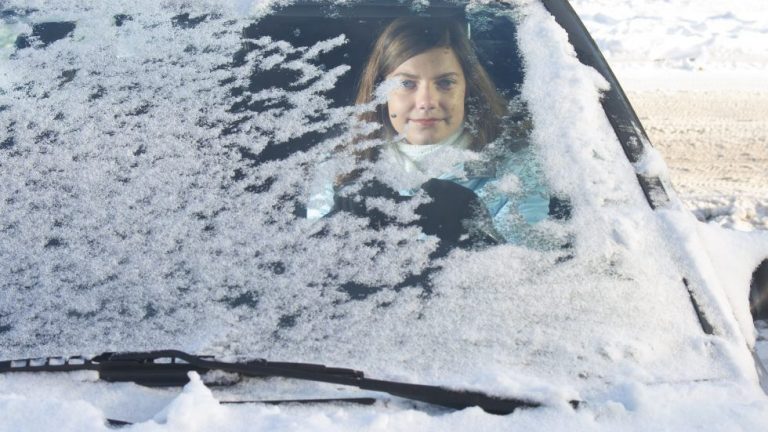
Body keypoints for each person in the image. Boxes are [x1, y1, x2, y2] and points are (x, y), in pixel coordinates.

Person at [307, 17, 558, 253]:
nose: (426, 102)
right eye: (406, 84)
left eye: (445, 83)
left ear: (467, 90)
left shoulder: (515, 167)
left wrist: (474, 237)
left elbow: (533, 270)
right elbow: (310, 271)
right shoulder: (342, 164)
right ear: (380, 92)